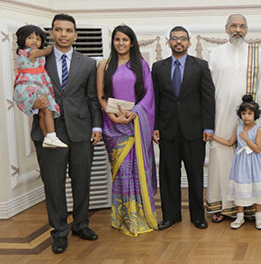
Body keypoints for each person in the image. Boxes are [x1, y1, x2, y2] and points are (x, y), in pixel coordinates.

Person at [30, 14, 102, 254]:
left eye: (68, 30)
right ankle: (59, 231)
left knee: (82, 181)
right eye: (58, 30)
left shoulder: (88, 63)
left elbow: (93, 98)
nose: (63, 34)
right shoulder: (38, 60)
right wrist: (33, 103)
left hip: (81, 132)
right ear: (51, 33)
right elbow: (25, 89)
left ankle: (81, 224)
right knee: (54, 184)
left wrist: (97, 127)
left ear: (75, 35)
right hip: (48, 132)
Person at [206, 14, 261, 222]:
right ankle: (221, 206)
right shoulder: (214, 54)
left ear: (247, 29)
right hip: (221, 117)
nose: (238, 29)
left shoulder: (256, 53)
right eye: (234, 25)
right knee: (221, 159)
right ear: (226, 28)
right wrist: (207, 124)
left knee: (248, 161)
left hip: (249, 120)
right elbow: (207, 91)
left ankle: (249, 208)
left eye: (242, 26)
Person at [96, 25, 158, 236]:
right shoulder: (104, 65)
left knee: (137, 172)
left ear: (132, 42)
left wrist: (135, 113)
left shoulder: (141, 65)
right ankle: (123, 217)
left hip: (135, 125)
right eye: (117, 39)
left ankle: (139, 216)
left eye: (125, 39)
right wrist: (113, 116)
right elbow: (102, 96)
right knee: (122, 173)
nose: (120, 43)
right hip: (113, 127)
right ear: (112, 42)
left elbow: (149, 95)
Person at [152, 26, 215, 230]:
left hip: (194, 130)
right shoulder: (158, 67)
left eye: (182, 38)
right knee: (169, 175)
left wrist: (208, 127)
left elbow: (208, 98)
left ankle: (198, 216)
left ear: (188, 42)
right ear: (168, 42)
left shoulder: (201, 66)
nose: (178, 42)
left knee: (195, 174)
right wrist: (155, 127)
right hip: (167, 130)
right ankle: (171, 216)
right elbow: (155, 99)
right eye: (174, 38)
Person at [213, 95, 261, 230]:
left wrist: (246, 138)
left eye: (249, 113)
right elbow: (229, 142)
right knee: (240, 188)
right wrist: (214, 137)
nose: (246, 116)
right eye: (244, 113)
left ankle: (258, 216)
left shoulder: (258, 129)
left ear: (255, 115)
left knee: (256, 188)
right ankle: (240, 217)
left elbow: (257, 149)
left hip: (255, 163)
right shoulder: (238, 127)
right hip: (241, 163)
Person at [13, 25, 67, 148]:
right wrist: (55, 45)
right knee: (47, 108)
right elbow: (47, 51)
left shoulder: (24, 53)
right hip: (32, 84)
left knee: (43, 112)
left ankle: (47, 137)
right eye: (30, 38)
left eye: (37, 39)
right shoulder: (32, 52)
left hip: (31, 84)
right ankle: (52, 135)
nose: (34, 41)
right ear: (23, 39)